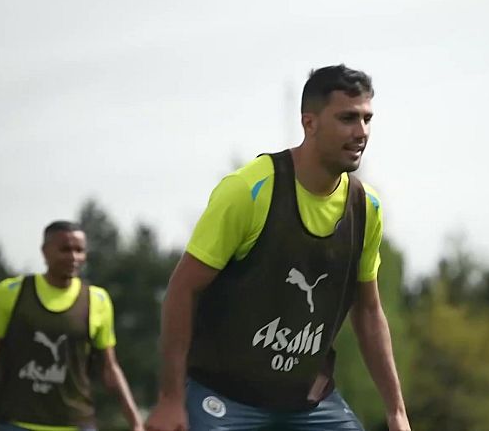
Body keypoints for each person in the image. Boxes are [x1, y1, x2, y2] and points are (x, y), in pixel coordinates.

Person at [145, 64, 411, 431]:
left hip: (307, 403)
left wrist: (396, 412)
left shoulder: (366, 209)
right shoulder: (250, 190)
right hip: (223, 397)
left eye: (367, 119)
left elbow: (368, 312)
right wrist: (170, 399)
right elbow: (182, 289)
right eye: (348, 118)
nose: (361, 132)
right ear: (310, 123)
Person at [0, 221, 144, 431]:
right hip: (16, 422)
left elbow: (110, 368)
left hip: (75, 423)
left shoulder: (97, 300)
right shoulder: (11, 293)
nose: (74, 257)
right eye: (65, 249)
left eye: (79, 250)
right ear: (45, 251)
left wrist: (136, 422)